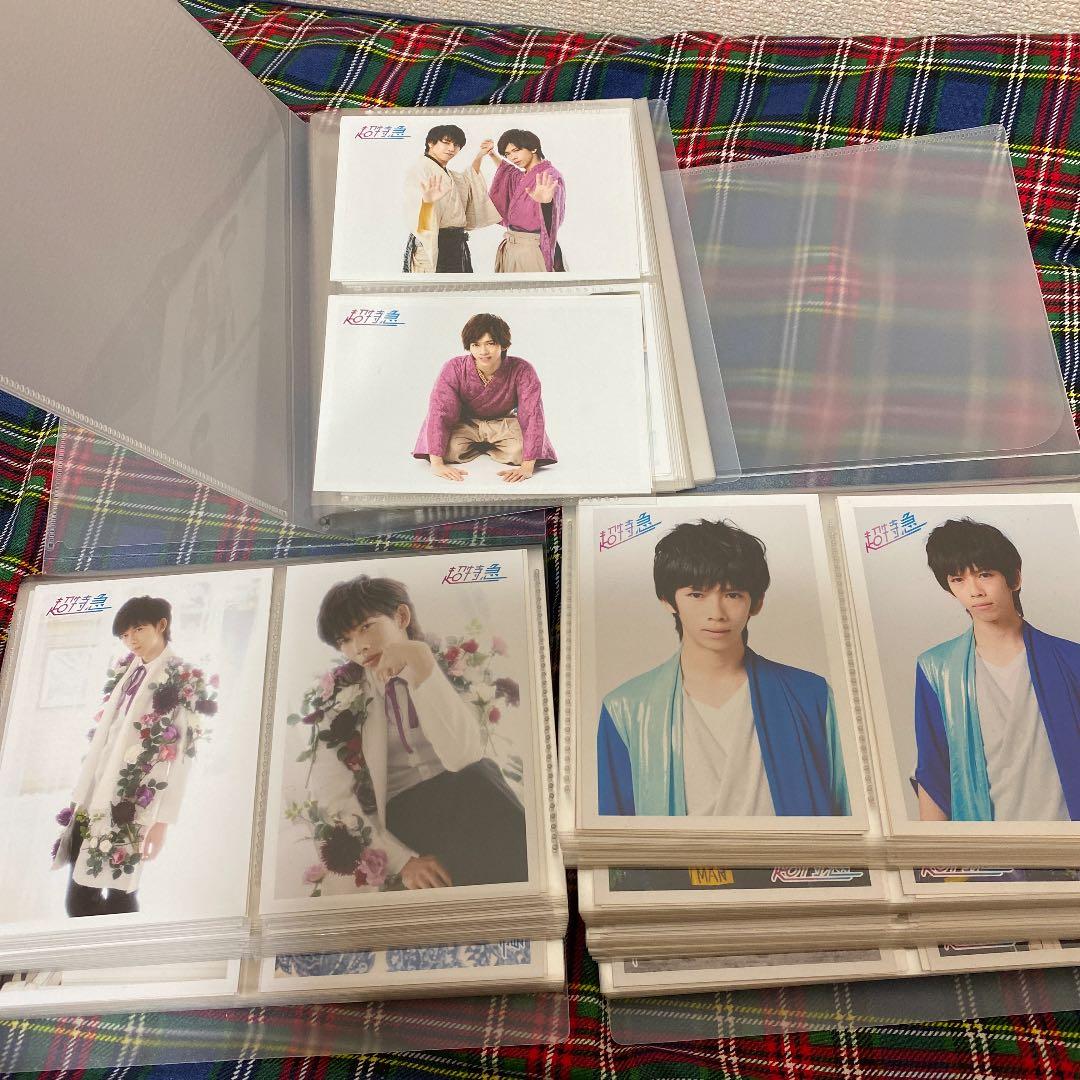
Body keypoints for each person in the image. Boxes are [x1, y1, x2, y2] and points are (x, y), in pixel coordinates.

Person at [597, 519, 851, 817]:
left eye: (732, 595)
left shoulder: (811, 696)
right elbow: (616, 832)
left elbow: (846, 813)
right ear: (668, 600)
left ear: (756, 603)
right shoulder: (625, 708)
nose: (716, 613)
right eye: (696, 595)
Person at [296, 575, 528, 891]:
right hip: (403, 818)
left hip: (470, 790)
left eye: (366, 627)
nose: (359, 647)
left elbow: (464, 756)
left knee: (480, 777)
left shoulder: (452, 663)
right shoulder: (335, 701)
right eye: (345, 640)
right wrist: (402, 861)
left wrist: (422, 666)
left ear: (401, 617)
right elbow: (332, 798)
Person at [51, 596, 217, 917]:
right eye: (125, 635)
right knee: (78, 896)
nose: (131, 641)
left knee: (119, 895)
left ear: (161, 625)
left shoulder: (182, 678)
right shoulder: (128, 667)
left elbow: (183, 758)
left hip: (134, 801)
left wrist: (162, 822)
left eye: (139, 630)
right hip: (96, 789)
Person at [914, 518, 1080, 821]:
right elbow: (933, 772)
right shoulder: (936, 668)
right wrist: (934, 852)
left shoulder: (1071, 660)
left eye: (985, 574)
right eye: (958, 579)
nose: (975, 591)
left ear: (1014, 578)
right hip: (986, 842)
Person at [413, 312, 556, 484]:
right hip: (466, 423)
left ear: (504, 344)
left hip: (503, 423)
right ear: (469, 346)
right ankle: (484, 447)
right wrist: (437, 464)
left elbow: (532, 414)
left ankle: (486, 446)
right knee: (447, 451)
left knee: (520, 451)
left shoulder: (522, 369)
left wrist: (527, 467)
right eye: (476, 344)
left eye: (490, 343)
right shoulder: (454, 368)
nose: (483, 351)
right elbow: (440, 410)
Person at [402, 124, 500, 273]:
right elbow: (418, 219)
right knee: (435, 286)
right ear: (431, 143)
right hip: (432, 244)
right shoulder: (420, 170)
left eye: (456, 145)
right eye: (446, 142)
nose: (451, 148)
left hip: (455, 244)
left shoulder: (447, 172)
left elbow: (468, 182)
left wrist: (480, 156)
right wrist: (428, 203)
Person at [485, 128, 567, 273]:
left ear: (534, 148)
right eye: (508, 154)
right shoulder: (525, 176)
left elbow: (554, 216)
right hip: (512, 246)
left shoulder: (549, 175)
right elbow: (508, 171)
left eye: (516, 150)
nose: (512, 157)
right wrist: (492, 155)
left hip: (533, 248)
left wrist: (546, 203)